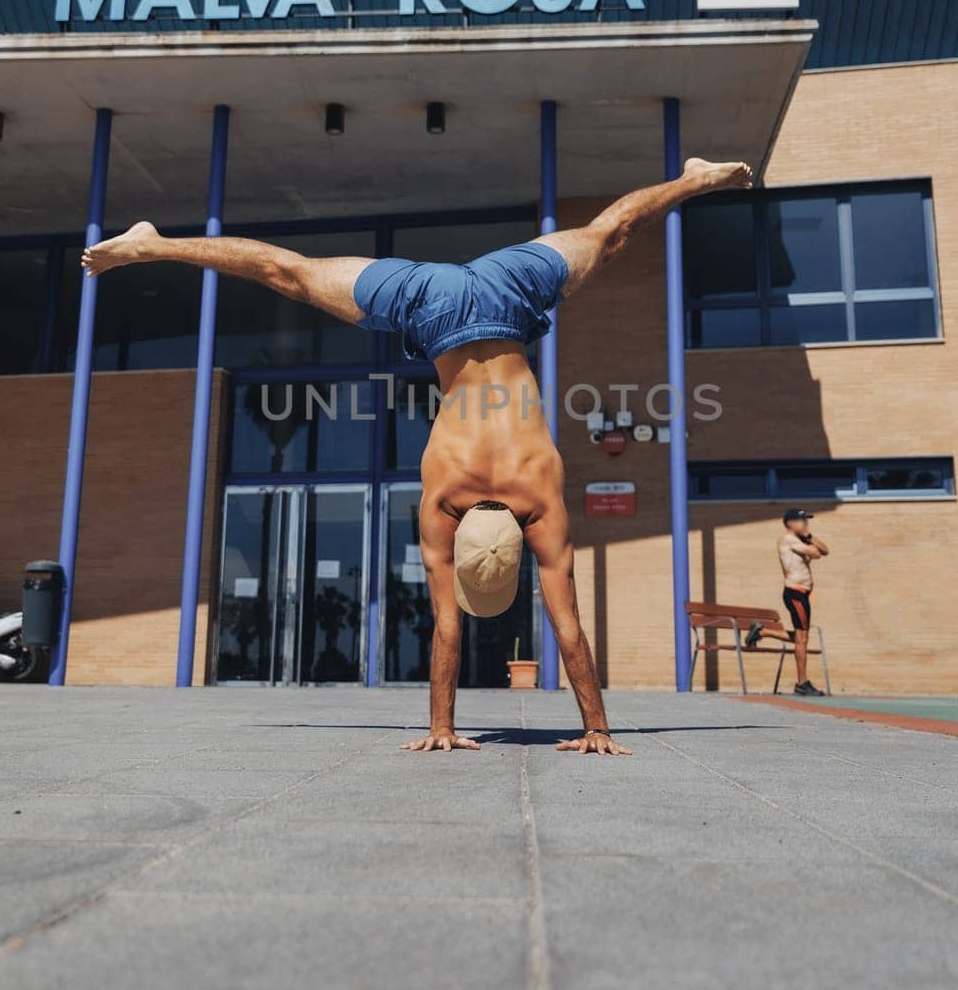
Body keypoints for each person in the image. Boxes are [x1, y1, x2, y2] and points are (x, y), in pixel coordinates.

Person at [83, 156, 752, 752]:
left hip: (506, 294)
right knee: (288, 273)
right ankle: (156, 246)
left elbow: (553, 631)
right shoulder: (445, 498)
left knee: (608, 237)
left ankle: (693, 180)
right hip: (432, 307)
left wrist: (590, 728)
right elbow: (451, 629)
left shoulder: (538, 495)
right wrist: (446, 726)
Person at [744, 509, 829, 696]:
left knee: (802, 639)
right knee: (802, 639)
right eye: (802, 521)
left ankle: (762, 631)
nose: (805, 525)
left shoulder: (800, 540)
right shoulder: (787, 539)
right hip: (795, 593)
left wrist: (809, 536)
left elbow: (825, 550)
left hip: (803, 595)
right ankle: (802, 683)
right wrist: (809, 541)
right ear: (790, 523)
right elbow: (816, 553)